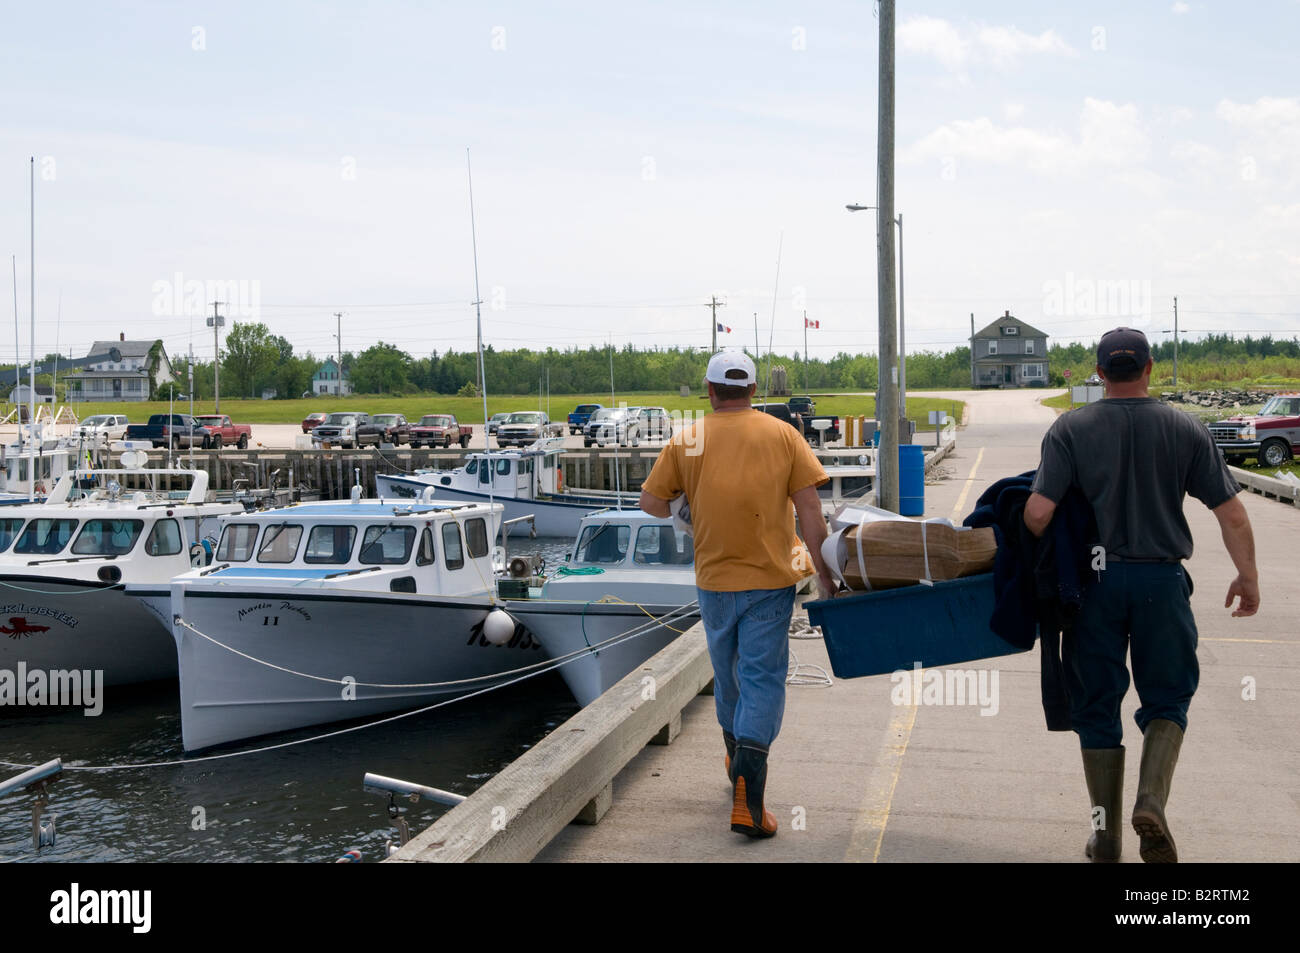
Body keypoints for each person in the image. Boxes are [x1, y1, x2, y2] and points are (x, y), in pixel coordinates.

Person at [1024, 327, 1259, 864]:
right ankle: (1151, 801)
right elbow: (1233, 513)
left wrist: (1040, 557)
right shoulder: (1186, 428)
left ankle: (1105, 838)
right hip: (1161, 582)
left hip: (1095, 584)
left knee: (1097, 706)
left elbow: (1038, 513)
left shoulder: (1070, 429)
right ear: (1149, 367)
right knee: (1168, 697)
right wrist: (1248, 576)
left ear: (1100, 372)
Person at [638, 351, 834, 839]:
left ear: (709, 390)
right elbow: (811, 512)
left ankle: (736, 759)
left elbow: (651, 503)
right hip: (771, 580)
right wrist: (828, 578)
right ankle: (749, 793)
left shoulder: (689, 438)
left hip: (713, 582)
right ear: (752, 391)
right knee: (762, 679)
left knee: (727, 680)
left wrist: (688, 509)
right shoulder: (783, 434)